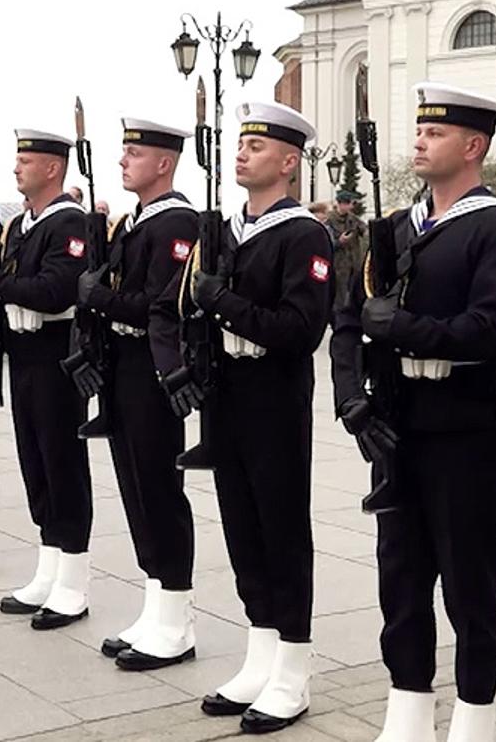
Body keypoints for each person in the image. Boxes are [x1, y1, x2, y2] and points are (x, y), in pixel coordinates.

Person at [329, 83, 496, 742]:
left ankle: (473, 719)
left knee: (470, 582)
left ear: (473, 146)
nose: (419, 141)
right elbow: (347, 319)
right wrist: (351, 399)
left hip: (466, 426)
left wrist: (406, 328)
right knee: (400, 578)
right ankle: (407, 711)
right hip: (397, 422)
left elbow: (495, 327)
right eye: (419, 130)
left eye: (435, 133)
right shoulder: (397, 227)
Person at [151, 101, 332, 733]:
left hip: (274, 396)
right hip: (225, 392)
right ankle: (261, 654)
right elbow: (180, 307)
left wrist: (223, 302)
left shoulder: (303, 235)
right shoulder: (221, 230)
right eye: (241, 144)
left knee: (281, 530)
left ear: (289, 162)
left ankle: (294, 667)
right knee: (241, 529)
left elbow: (301, 331)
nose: (242, 153)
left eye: (257, 147)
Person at [76, 118, 200, 671]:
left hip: (154, 367)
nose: (124, 161)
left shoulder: (177, 222)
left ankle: (176, 619)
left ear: (164, 163)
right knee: (134, 487)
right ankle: (156, 607)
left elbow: (159, 303)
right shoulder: (135, 221)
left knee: (158, 489)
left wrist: (99, 297)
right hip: (124, 363)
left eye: (135, 153)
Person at [0, 128, 94, 630]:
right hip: (23, 354)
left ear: (53, 168)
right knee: (36, 464)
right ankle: (49, 566)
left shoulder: (69, 222)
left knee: (62, 464)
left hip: (54, 355)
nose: (16, 168)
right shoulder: (22, 225)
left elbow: (54, 290)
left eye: (26, 161)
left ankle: (74, 580)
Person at [327, 189, 367, 310]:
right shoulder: (330, 221)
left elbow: (365, 230)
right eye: (348, 203)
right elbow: (326, 244)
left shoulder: (353, 219)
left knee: (355, 296)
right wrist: (339, 242)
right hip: (338, 265)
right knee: (340, 298)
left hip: (354, 264)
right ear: (341, 204)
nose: (351, 206)